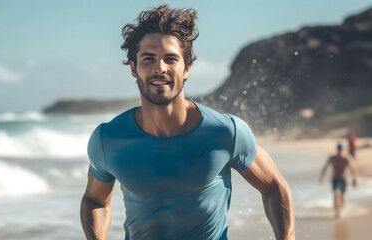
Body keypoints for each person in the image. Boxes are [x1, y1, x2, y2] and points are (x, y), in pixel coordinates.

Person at [80, 5, 295, 240]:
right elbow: (94, 200)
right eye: (148, 59)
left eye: (170, 59)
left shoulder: (225, 132)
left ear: (187, 68)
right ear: (134, 67)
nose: (159, 68)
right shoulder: (108, 139)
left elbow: (274, 186)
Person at [319, 143, 358, 219]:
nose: (340, 151)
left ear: (343, 149)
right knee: (336, 194)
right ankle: (337, 212)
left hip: (343, 180)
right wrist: (322, 177)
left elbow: (353, 168)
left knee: (342, 196)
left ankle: (342, 210)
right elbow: (325, 167)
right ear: (337, 149)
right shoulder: (333, 158)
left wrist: (354, 179)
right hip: (335, 180)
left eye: (341, 149)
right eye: (338, 149)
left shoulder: (346, 158)